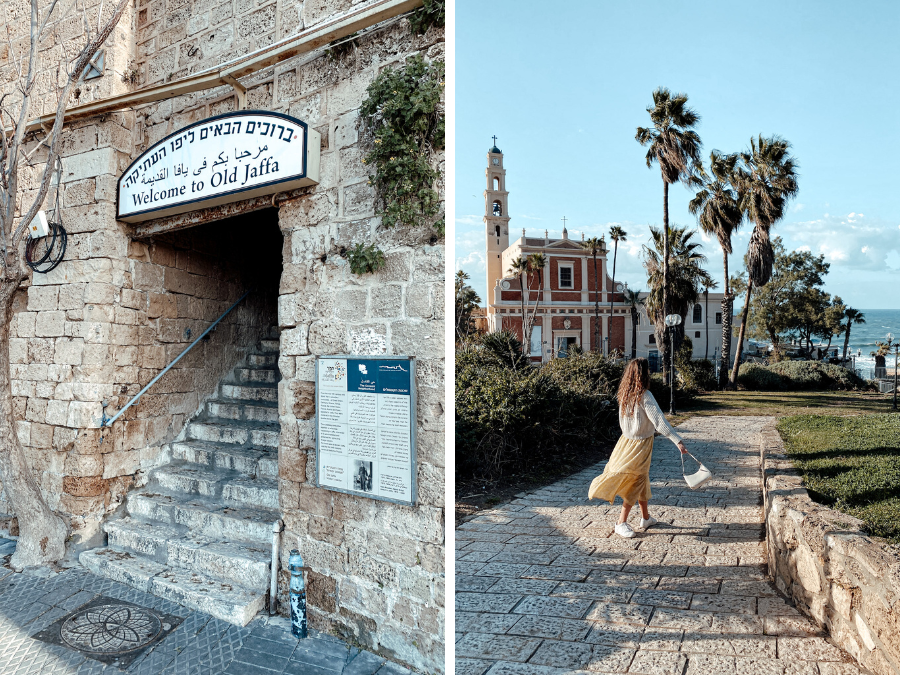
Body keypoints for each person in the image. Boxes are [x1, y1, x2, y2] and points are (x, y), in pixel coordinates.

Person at [588, 357, 688, 538]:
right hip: (641, 444)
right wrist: (677, 440)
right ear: (643, 374)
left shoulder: (624, 394)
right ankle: (621, 522)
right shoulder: (645, 396)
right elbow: (659, 421)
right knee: (636, 480)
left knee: (642, 478)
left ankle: (646, 518)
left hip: (625, 442)